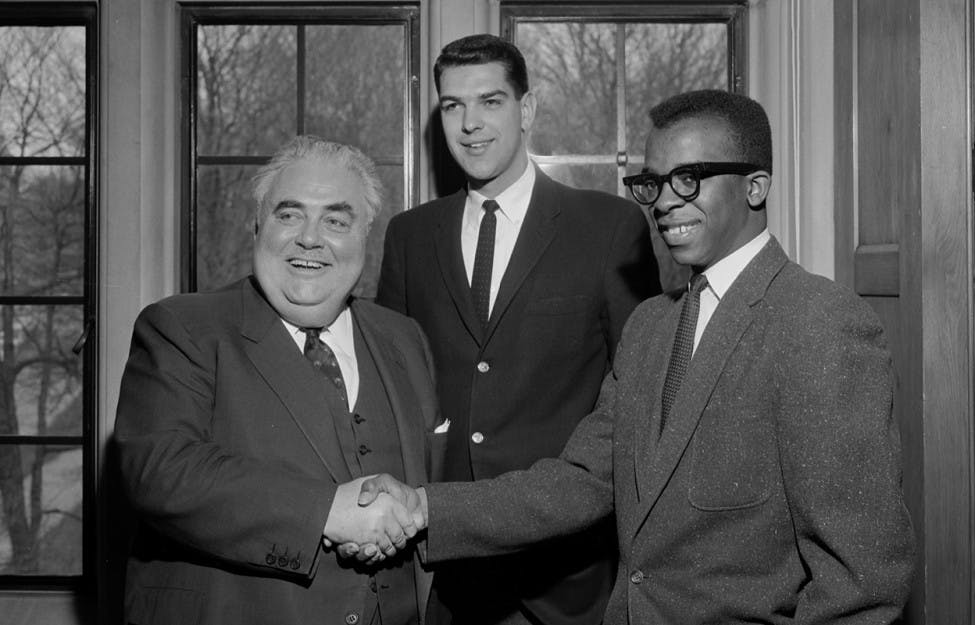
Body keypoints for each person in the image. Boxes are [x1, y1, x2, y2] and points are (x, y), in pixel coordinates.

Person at [354, 89, 917, 624]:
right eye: (654, 183)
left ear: (755, 187)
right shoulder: (651, 326)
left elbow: (863, 581)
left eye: (689, 180)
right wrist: (424, 509)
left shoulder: (819, 322)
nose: (665, 202)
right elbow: (581, 482)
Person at [375, 33, 660, 625]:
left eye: (491, 102)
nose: (470, 124)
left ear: (526, 110)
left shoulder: (607, 226)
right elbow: (390, 390)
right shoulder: (409, 235)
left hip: (568, 577)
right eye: (453, 106)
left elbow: (641, 400)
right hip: (447, 578)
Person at [114, 136, 445, 625]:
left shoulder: (404, 338)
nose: (310, 238)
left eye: (336, 220)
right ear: (257, 226)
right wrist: (326, 512)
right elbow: (159, 469)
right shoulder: (183, 328)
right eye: (289, 215)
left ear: (364, 238)